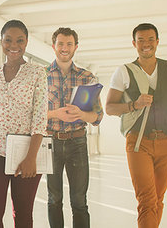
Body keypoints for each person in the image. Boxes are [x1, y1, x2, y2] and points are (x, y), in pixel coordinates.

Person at [105, 23, 167, 228]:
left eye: (150, 39)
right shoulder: (124, 71)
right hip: (138, 142)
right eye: (141, 40)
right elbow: (109, 108)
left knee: (158, 199)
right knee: (146, 200)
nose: (146, 44)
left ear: (157, 42)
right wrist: (134, 105)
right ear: (134, 43)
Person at [0, 20, 48, 228]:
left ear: (26, 43)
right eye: (8, 40)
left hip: (25, 153)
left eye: (19, 40)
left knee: (23, 215)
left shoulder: (37, 73)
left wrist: (31, 157)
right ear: (2, 41)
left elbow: (40, 119)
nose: (14, 45)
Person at [46, 27, 103, 228]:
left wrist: (81, 114)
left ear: (75, 47)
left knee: (79, 201)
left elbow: (97, 116)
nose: (64, 48)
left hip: (77, 142)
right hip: (50, 143)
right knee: (54, 199)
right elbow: (33, 115)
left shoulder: (87, 77)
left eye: (69, 44)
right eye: (60, 43)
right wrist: (55, 114)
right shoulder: (42, 75)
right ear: (53, 46)